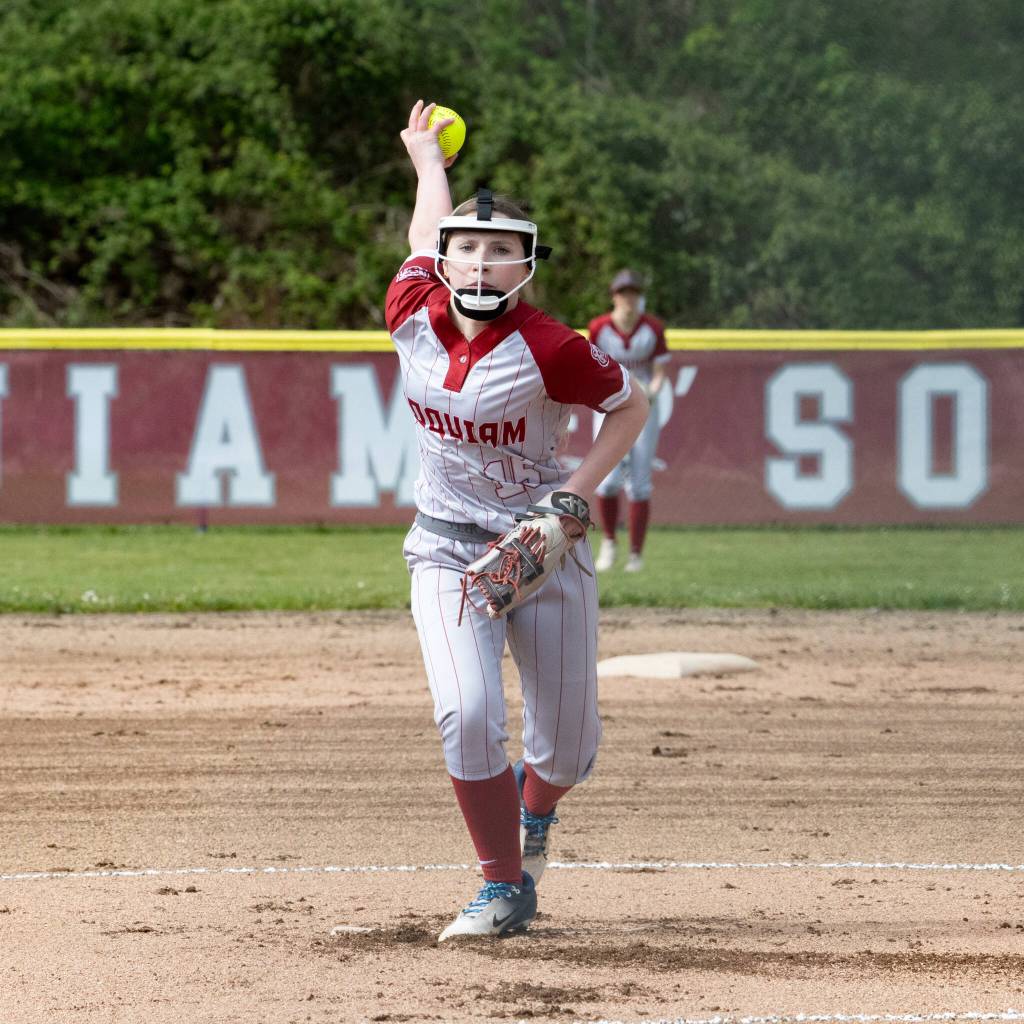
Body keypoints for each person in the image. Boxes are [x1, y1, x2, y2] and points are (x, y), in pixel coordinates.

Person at [388, 100, 649, 941]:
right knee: (466, 713)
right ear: (442, 260)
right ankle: (501, 886)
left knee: (568, 749)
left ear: (526, 266)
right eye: (467, 248)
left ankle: (535, 815)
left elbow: (631, 404)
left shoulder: (552, 346)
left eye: (502, 252)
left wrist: (574, 498)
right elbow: (425, 231)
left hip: (541, 550)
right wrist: (430, 165)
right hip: (447, 548)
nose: (482, 262)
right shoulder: (408, 305)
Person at [587, 270, 670, 573]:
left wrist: (651, 392)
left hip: (644, 409)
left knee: (639, 483)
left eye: (633, 292)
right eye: (623, 293)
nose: (629, 298)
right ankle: (609, 543)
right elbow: (590, 367)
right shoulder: (599, 327)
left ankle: (636, 554)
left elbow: (659, 372)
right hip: (608, 407)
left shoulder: (652, 328)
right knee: (607, 481)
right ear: (614, 296)